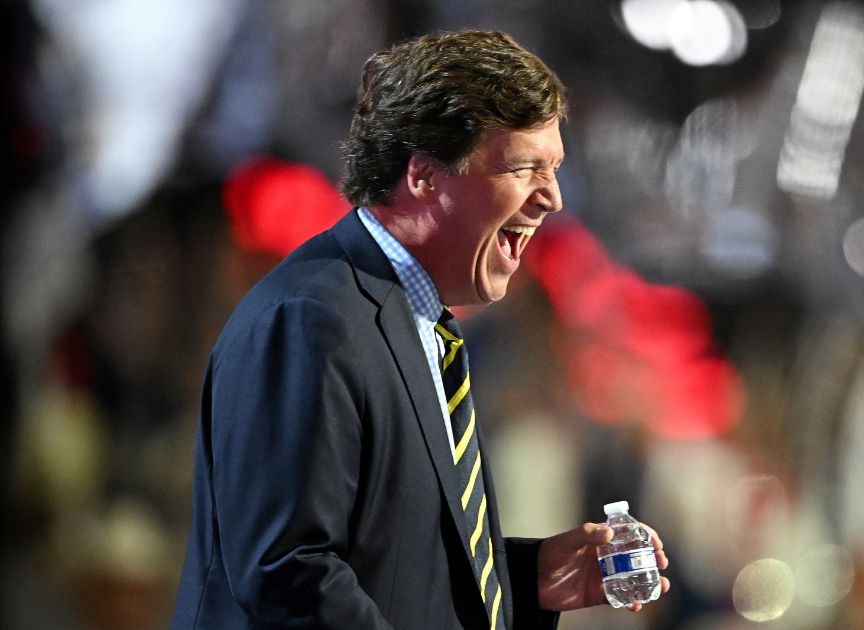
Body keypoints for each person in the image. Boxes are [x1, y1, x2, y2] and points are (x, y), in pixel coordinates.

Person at [171, 30, 669, 629]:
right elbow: (289, 574)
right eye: (524, 168)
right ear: (425, 176)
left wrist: (530, 578)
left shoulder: (415, 323)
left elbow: (396, 567)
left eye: (555, 169)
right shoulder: (312, 320)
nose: (553, 199)